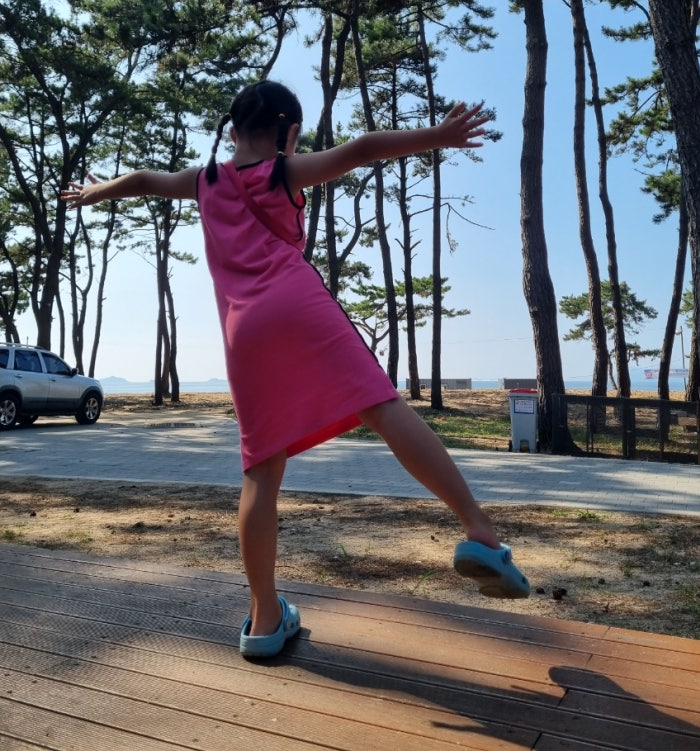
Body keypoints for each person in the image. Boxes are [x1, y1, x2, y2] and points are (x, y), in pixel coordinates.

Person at [63, 79, 530, 660]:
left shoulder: (206, 181)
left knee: (261, 468)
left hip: (243, 330)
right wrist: (439, 135)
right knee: (383, 408)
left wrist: (95, 192)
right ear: (286, 132)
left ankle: (264, 620)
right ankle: (479, 531)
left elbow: (142, 180)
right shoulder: (281, 173)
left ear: (233, 131)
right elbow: (363, 148)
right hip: (296, 302)